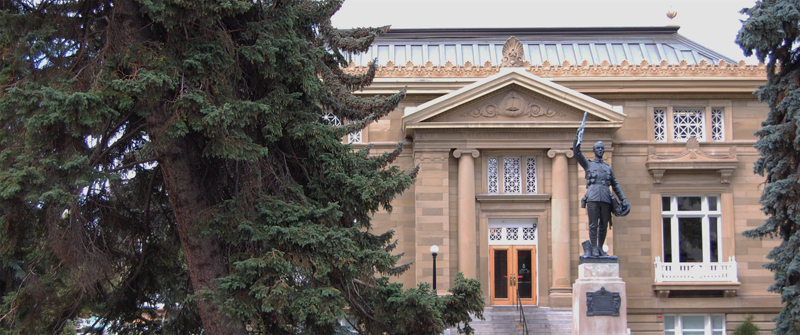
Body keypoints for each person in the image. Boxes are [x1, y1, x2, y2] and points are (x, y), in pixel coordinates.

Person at [573, 130, 629, 257]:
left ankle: (600, 248)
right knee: (593, 224)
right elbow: (577, 153)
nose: (600, 150)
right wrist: (577, 138)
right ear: (594, 150)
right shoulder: (588, 164)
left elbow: (615, 185)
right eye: (598, 148)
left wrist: (623, 199)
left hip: (605, 197)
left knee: (604, 224)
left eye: (602, 148)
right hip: (592, 196)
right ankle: (593, 248)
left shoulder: (607, 168)